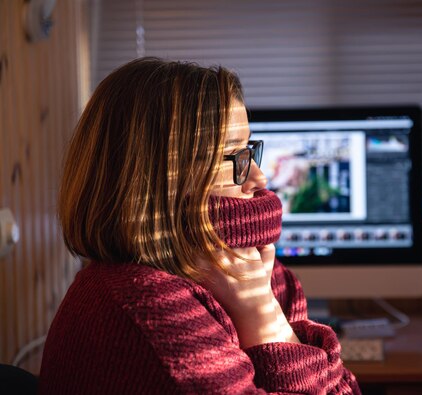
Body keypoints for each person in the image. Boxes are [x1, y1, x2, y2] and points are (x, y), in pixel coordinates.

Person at [38, 57, 361, 395]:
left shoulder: (260, 272)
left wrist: (261, 304)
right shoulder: (149, 309)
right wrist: (260, 317)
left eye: (250, 151)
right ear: (161, 179)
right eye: (234, 157)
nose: (259, 177)